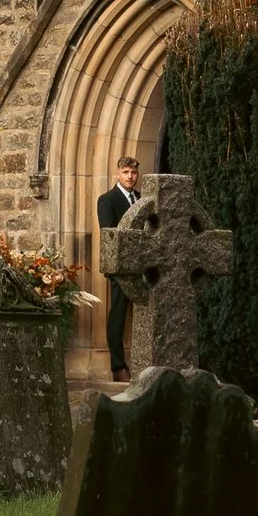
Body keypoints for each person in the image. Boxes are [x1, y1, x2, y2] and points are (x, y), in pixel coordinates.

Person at [98, 155, 143, 378]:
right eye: (126, 172)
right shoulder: (108, 199)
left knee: (145, 314)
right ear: (118, 174)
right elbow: (108, 234)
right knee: (118, 314)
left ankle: (144, 363)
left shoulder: (142, 199)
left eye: (133, 173)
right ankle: (118, 367)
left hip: (142, 267)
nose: (130, 177)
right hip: (119, 268)